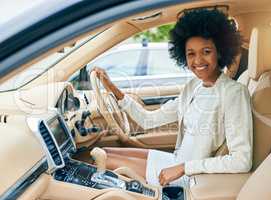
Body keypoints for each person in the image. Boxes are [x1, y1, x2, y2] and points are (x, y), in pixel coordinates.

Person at [92, 8, 253, 187]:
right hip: (176, 161)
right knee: (105, 152)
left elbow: (241, 160)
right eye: (191, 53)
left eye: (206, 51)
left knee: (102, 162)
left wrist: (184, 168)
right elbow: (147, 120)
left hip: (192, 177)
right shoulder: (193, 87)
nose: (198, 60)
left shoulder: (234, 93)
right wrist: (113, 89)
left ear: (220, 52)